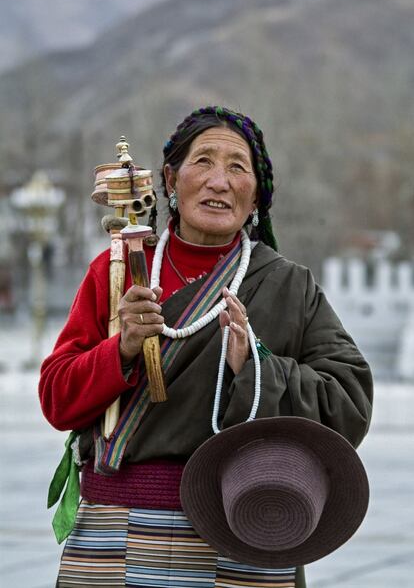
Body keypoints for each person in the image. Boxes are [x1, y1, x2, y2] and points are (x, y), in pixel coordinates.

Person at [39, 105, 373, 588]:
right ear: (171, 180)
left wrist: (255, 365)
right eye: (203, 162)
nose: (219, 181)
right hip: (115, 532)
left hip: (247, 522)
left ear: (256, 196)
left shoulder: (288, 286)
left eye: (238, 167)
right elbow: (56, 399)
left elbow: (350, 403)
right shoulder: (116, 271)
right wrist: (124, 348)